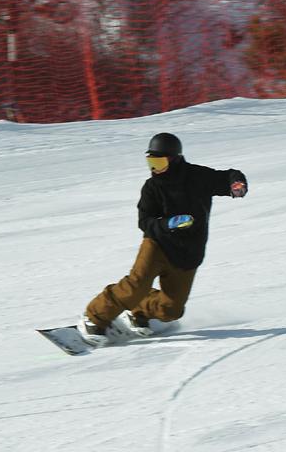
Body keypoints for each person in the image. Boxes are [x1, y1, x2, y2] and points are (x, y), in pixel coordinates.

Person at [77, 132, 248, 346]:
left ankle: (139, 312)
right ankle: (93, 318)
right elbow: (144, 221)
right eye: (150, 162)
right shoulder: (152, 187)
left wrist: (237, 184)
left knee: (172, 310)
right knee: (135, 286)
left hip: (188, 252)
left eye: (158, 162)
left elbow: (228, 177)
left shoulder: (197, 177)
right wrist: (167, 224)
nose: (153, 168)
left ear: (174, 159)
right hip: (157, 244)